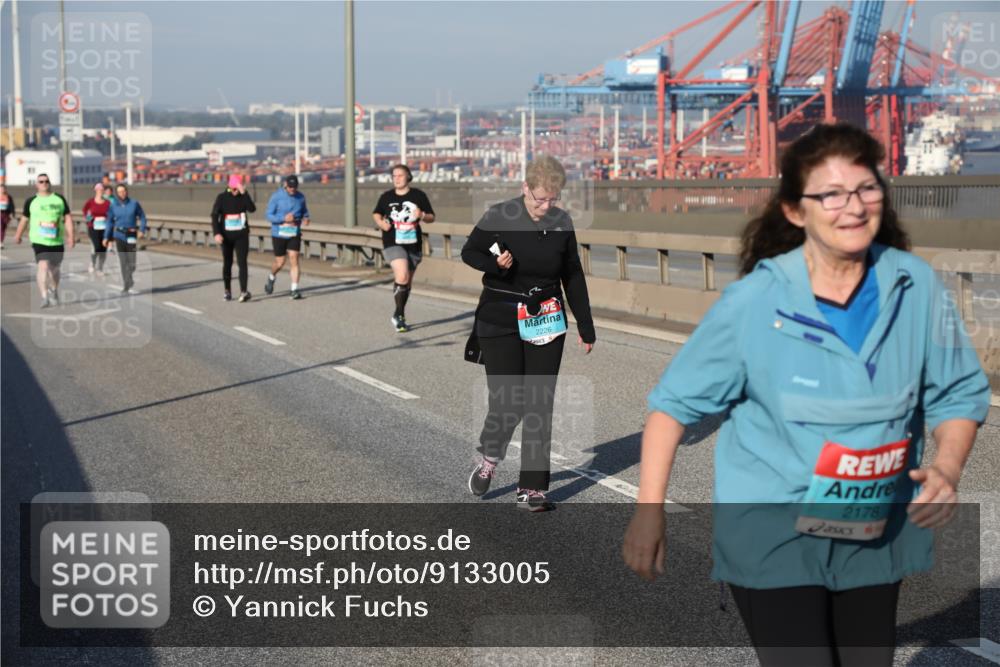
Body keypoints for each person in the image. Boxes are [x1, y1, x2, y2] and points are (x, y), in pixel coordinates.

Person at [622, 123, 990, 666]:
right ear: (796, 211)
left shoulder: (915, 287)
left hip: (872, 526)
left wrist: (948, 467)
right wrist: (649, 512)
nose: (854, 206)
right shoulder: (754, 302)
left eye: (866, 189)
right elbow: (673, 408)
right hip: (772, 530)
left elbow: (957, 394)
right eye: (832, 194)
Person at [461, 156, 595, 512]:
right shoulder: (499, 215)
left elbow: (573, 273)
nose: (545, 206)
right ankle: (490, 456)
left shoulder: (561, 222)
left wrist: (585, 323)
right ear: (525, 189)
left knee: (538, 402)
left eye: (552, 199)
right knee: (509, 400)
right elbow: (469, 251)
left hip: (546, 317)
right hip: (500, 315)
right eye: (539, 199)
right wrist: (494, 265)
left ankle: (532, 489)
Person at [372, 164, 436, 332]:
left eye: (400, 175)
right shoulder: (386, 197)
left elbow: (431, 217)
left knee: (407, 281)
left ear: (408, 177)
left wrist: (422, 215)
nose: (397, 178)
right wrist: (380, 223)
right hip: (392, 241)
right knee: (402, 274)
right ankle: (400, 316)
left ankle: (398, 313)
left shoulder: (418, 195)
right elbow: (377, 213)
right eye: (394, 176)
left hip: (413, 243)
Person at [14, 174, 74, 307]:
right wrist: (18, 235)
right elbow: (24, 219)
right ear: (37, 184)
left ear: (50, 183)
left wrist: (71, 236)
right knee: (43, 265)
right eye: (41, 181)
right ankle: (44, 296)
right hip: (39, 240)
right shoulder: (31, 201)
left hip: (56, 240)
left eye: (46, 181)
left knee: (54, 269)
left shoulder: (59, 199)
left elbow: (68, 218)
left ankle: (54, 289)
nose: (44, 183)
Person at [264, 174, 310, 300]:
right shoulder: (276, 196)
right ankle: (271, 277)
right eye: (290, 187)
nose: (292, 189)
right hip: (279, 233)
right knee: (280, 262)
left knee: (294, 258)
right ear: (285, 185)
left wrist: (306, 218)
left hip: (294, 232)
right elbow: (268, 215)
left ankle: (294, 289)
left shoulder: (300, 197)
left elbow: (305, 211)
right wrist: (282, 218)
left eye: (294, 187)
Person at [211, 174, 256, 302]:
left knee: (242, 263)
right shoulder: (222, 198)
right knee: (228, 262)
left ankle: (243, 291)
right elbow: (214, 216)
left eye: (238, 188)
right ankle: (227, 290)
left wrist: (245, 193)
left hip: (241, 235)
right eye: (233, 189)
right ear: (229, 187)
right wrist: (217, 233)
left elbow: (252, 209)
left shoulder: (243, 197)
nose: (235, 191)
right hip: (226, 236)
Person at [104, 184, 147, 295]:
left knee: (132, 263)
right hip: (119, 235)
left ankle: (130, 277)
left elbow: (142, 217)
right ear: (117, 194)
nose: (122, 193)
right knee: (123, 262)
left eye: (124, 191)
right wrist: (106, 237)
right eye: (119, 192)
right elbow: (109, 222)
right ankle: (126, 285)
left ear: (127, 191)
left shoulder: (134, 204)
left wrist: (142, 230)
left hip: (131, 234)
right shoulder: (113, 206)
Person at [82, 182, 111, 276]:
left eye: (102, 190)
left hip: (104, 228)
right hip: (93, 227)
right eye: (98, 190)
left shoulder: (107, 203)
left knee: (103, 248)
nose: (100, 191)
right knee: (96, 247)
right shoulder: (90, 202)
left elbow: (111, 214)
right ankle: (93, 262)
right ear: (95, 190)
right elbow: (85, 211)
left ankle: (100, 268)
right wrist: (88, 218)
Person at [0, 184, 15, 248]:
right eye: (1, 189)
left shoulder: (8, 197)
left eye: (4, 188)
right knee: (0, 227)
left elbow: (12, 206)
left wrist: (12, 213)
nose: (2, 190)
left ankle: (1, 242)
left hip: (5, 214)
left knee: (3, 228)